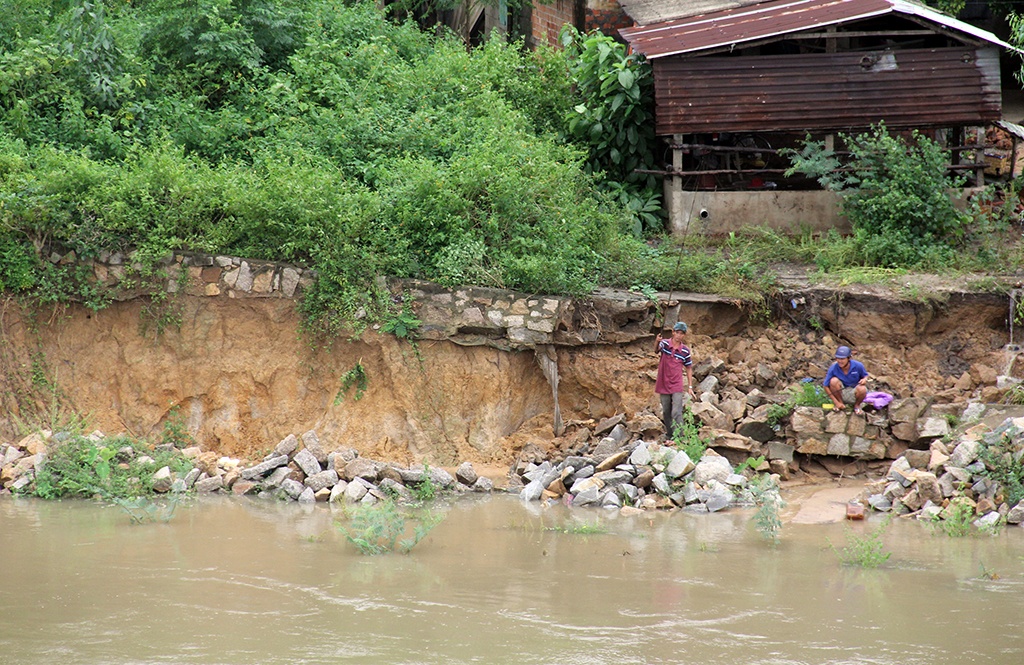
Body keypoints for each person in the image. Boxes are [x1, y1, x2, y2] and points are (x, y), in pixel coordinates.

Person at [655, 321, 696, 440]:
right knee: (666, 411)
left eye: (682, 333)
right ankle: (670, 434)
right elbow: (656, 350)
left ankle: (680, 437)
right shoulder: (665, 344)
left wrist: (690, 387)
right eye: (677, 332)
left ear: (684, 335)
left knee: (676, 412)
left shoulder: (685, 351)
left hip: (677, 384)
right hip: (663, 382)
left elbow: (689, 368)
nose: (679, 335)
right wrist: (657, 341)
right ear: (673, 333)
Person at [823, 345, 869, 415]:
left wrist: (864, 379)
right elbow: (825, 386)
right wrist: (836, 402)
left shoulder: (858, 365)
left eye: (842, 359)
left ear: (848, 358)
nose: (840, 361)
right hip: (841, 392)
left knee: (863, 389)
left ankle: (857, 406)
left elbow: (865, 376)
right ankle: (840, 403)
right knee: (833, 381)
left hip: (854, 393)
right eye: (838, 358)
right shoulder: (833, 368)